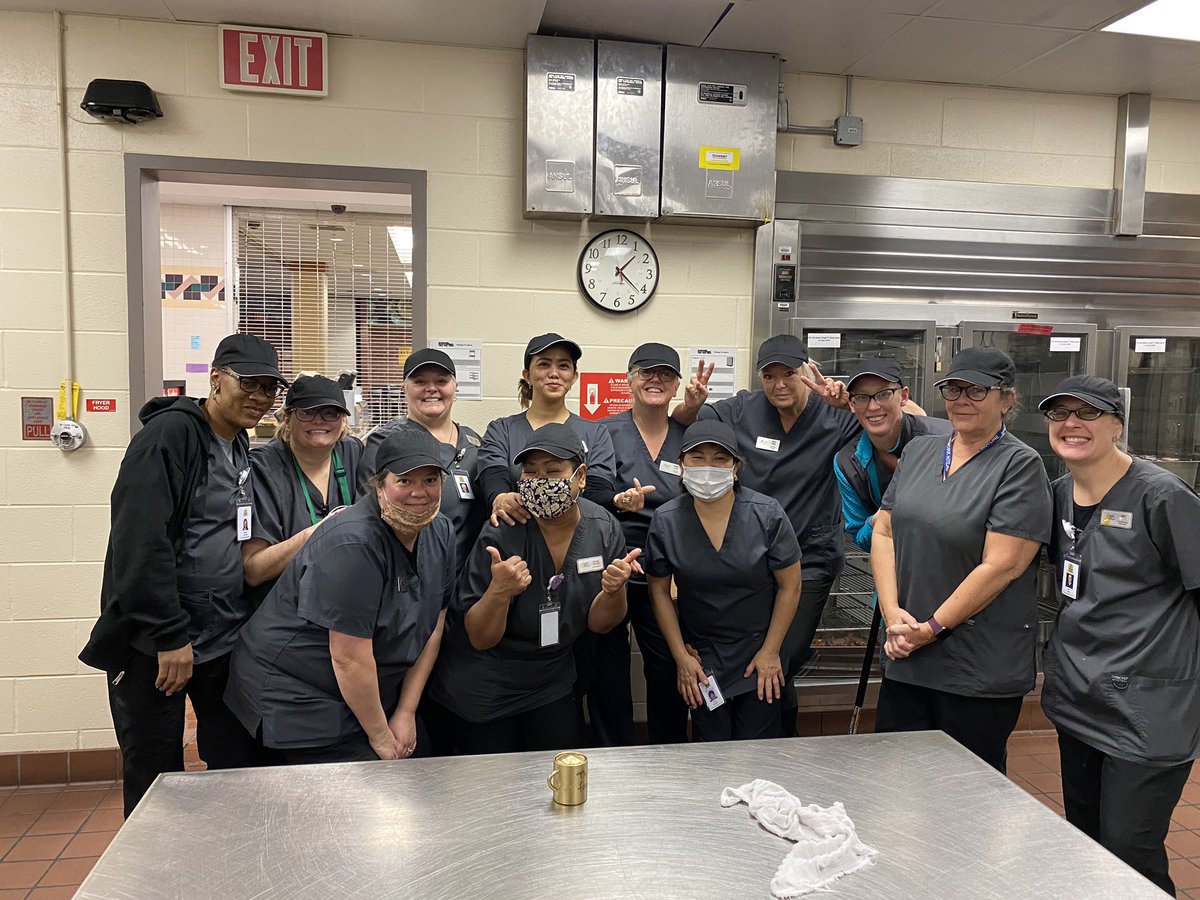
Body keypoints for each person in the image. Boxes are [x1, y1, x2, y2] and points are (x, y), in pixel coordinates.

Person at [79, 333, 285, 816]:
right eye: (248, 383)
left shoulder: (237, 444)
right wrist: (168, 636)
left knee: (236, 754)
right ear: (215, 378)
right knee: (156, 774)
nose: (259, 396)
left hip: (219, 632)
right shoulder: (168, 436)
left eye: (269, 388)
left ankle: (225, 861)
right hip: (157, 639)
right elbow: (139, 543)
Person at [1038, 374, 1200, 896]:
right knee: (1083, 840)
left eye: (1086, 414)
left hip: (1147, 715)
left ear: (1116, 425)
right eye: (1059, 415)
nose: (1071, 425)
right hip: (1079, 701)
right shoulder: (1060, 493)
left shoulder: (1162, 496)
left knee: (1130, 850)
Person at [870, 346, 1052, 773]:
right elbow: (884, 530)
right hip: (907, 654)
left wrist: (930, 629)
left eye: (977, 390)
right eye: (953, 389)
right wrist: (893, 615)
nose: (962, 399)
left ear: (1007, 400)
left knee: (967, 795)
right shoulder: (921, 452)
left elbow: (1003, 565)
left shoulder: (1019, 465)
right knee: (897, 783)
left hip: (974, 667)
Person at [224, 427, 454, 764]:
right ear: (379, 486)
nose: (419, 493)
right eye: (404, 481)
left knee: (419, 771)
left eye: (430, 481)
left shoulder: (440, 532)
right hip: (301, 691)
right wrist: (381, 738)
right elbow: (348, 657)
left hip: (369, 686)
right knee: (359, 793)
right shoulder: (352, 543)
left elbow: (433, 624)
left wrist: (406, 711)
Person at [677, 333, 856, 733]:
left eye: (788, 374)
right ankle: (774, 739)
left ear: (808, 370)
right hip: (754, 560)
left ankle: (768, 741)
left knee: (782, 654)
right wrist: (690, 404)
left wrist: (851, 403)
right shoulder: (742, 409)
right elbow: (686, 431)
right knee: (766, 661)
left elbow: (897, 425)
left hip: (810, 559)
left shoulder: (834, 417)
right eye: (769, 375)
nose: (779, 384)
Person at [426, 424, 636, 754]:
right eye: (530, 471)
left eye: (553, 471)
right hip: (486, 682)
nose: (541, 481)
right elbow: (480, 637)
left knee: (555, 774)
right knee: (492, 789)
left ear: (580, 476)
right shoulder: (504, 531)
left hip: (551, 680)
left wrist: (614, 590)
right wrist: (499, 592)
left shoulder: (603, 528)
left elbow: (601, 624)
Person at [476, 332, 625, 745]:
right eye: (543, 364)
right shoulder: (504, 429)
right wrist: (500, 496)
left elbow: (596, 490)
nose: (553, 373)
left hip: (577, 574)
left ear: (575, 376)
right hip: (523, 566)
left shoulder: (592, 434)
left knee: (577, 681)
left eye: (563, 365)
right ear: (527, 373)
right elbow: (491, 473)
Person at [646, 420, 802, 741]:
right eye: (697, 458)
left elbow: (791, 585)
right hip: (702, 658)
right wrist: (681, 657)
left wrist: (771, 651)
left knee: (756, 747)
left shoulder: (766, 514)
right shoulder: (666, 521)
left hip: (759, 653)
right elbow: (659, 592)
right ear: (681, 465)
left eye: (719, 459)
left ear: (735, 468)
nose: (708, 468)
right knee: (711, 749)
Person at [600, 343, 690, 744]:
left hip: (668, 574)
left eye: (665, 374)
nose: (655, 380)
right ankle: (610, 755)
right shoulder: (603, 432)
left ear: (676, 387)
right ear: (629, 380)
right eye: (645, 372)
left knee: (667, 667)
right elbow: (589, 493)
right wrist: (617, 502)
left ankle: (666, 756)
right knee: (608, 671)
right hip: (614, 569)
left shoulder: (690, 437)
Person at [359, 348, 485, 576]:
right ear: (403, 389)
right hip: (412, 579)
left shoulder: (473, 442)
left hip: (470, 582)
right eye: (419, 381)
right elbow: (370, 519)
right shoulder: (386, 442)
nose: (431, 389)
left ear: (455, 389)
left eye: (441, 381)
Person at [242, 374, 362, 607]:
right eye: (307, 412)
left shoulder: (353, 454)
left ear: (343, 420)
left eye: (331, 413)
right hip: (283, 615)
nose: (320, 421)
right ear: (287, 418)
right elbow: (254, 571)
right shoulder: (263, 469)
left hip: (342, 606)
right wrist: (321, 532)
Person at [833, 356, 952, 552]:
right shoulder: (848, 463)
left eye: (884, 394)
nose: (873, 407)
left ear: (904, 397)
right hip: (897, 563)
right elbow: (861, 537)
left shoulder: (946, 439)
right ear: (852, 404)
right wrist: (882, 516)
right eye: (862, 397)